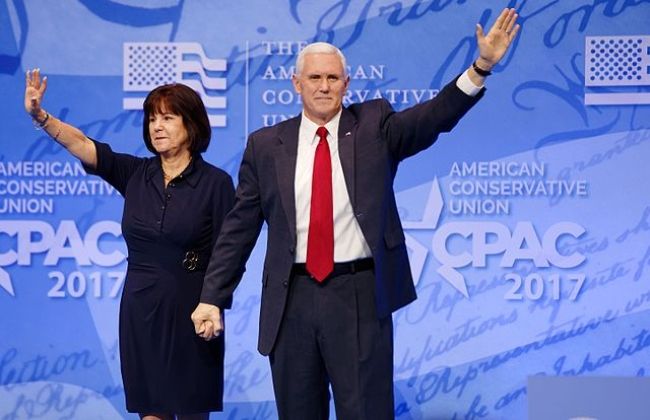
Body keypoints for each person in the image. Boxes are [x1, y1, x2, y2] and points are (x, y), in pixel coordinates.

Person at [192, 7, 520, 420]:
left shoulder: (374, 126)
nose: (324, 86)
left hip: (359, 295)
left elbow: (433, 117)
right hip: (291, 300)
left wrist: (481, 67)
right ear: (296, 83)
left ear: (346, 84)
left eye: (333, 78)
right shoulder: (265, 145)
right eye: (315, 77)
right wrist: (211, 297)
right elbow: (238, 230)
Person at [24, 74, 235, 420]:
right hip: (141, 308)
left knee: (191, 408)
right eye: (152, 118)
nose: (157, 126)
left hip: (193, 309)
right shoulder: (136, 173)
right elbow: (83, 145)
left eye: (168, 117)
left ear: (191, 124)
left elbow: (228, 253)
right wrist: (40, 116)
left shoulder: (216, 183)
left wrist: (214, 301)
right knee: (151, 412)